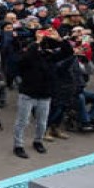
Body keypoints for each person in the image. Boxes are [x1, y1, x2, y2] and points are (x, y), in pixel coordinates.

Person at [13, 29, 66, 158]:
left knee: (42, 122)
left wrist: (60, 40)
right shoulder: (30, 52)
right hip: (28, 94)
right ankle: (18, 145)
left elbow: (67, 52)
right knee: (22, 121)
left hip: (45, 94)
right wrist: (37, 43)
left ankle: (38, 141)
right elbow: (23, 60)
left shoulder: (50, 57)